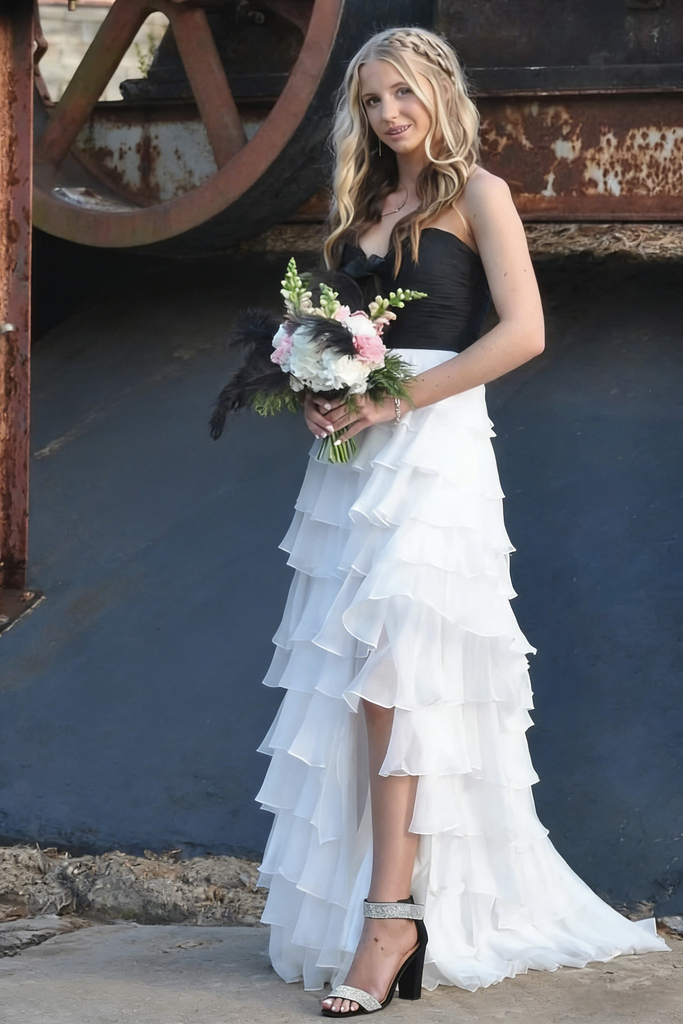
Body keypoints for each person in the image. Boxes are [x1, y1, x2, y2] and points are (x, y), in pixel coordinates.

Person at [254, 26, 669, 1018]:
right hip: (350, 461)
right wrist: (317, 386)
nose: (389, 113)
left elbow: (522, 331)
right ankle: (380, 904)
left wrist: (399, 398)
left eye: (402, 92)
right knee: (357, 683)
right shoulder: (359, 207)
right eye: (371, 101)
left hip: (434, 453)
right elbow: (332, 330)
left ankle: (392, 915)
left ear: (439, 89)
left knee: (398, 674)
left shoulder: (476, 193)